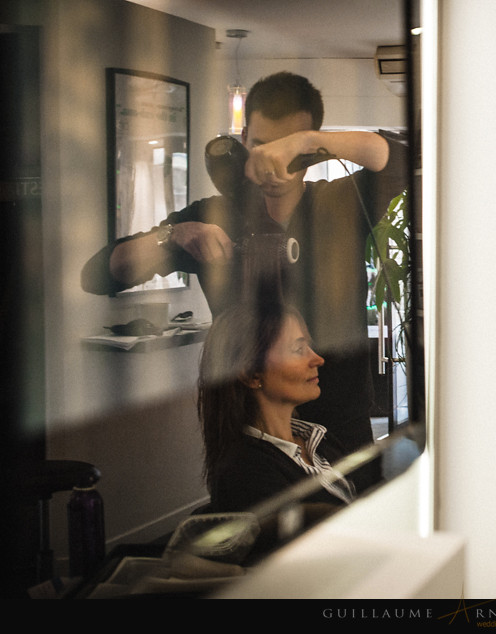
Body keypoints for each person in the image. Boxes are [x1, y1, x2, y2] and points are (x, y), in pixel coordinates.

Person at [82, 72, 408, 489]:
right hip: (250, 436)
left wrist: (308, 142)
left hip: (341, 425)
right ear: (243, 141)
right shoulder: (213, 216)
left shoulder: (338, 204)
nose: (273, 166)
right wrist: (174, 235)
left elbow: (405, 157)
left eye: (287, 149)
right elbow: (98, 274)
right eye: (261, 146)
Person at [197, 302, 356, 514]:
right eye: (299, 350)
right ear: (252, 374)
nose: (318, 359)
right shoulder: (247, 474)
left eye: (309, 347)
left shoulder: (319, 439)